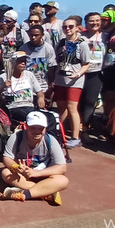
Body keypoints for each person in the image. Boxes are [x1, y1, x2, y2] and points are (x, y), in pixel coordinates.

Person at [0, 111, 67, 205]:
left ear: (45, 128)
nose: (37, 131)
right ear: (26, 126)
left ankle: (24, 194)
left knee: (63, 180)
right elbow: (7, 158)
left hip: (43, 176)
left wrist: (37, 173)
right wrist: (16, 167)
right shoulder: (16, 137)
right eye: (33, 128)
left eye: (41, 128)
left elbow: (62, 167)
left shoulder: (50, 140)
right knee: (6, 173)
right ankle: (47, 193)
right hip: (23, 175)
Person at [54, 16, 91, 148]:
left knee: (72, 108)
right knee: (61, 108)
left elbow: (87, 64)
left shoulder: (82, 44)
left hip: (74, 81)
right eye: (65, 27)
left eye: (71, 26)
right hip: (60, 79)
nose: (67, 29)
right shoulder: (61, 43)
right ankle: (58, 132)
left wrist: (78, 74)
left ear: (77, 28)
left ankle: (75, 137)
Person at [0, 51, 45, 124]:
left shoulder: (29, 75)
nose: (23, 63)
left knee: (49, 117)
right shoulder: (3, 77)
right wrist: (3, 87)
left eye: (24, 61)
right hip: (14, 108)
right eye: (20, 61)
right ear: (13, 63)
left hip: (29, 106)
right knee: (30, 116)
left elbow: (39, 92)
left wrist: (41, 98)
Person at [79, 13, 105, 137]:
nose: (94, 23)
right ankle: (78, 127)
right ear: (86, 23)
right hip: (79, 73)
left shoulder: (105, 36)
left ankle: (85, 129)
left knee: (90, 101)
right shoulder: (80, 36)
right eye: (91, 21)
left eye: (97, 20)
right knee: (79, 101)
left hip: (96, 73)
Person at [20, 25, 57, 99]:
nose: (33, 38)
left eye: (36, 35)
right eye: (31, 35)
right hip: (28, 85)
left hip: (43, 85)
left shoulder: (48, 48)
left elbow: (51, 67)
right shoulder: (23, 48)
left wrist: (51, 83)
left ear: (42, 35)